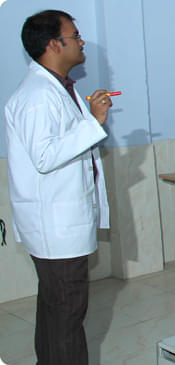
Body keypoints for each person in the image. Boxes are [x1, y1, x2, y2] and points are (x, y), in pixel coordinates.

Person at [5, 10, 115, 364]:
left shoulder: (59, 87)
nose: (82, 42)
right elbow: (45, 156)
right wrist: (95, 122)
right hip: (56, 225)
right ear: (54, 44)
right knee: (67, 315)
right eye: (75, 36)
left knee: (55, 311)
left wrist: (88, 117)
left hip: (60, 221)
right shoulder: (38, 95)